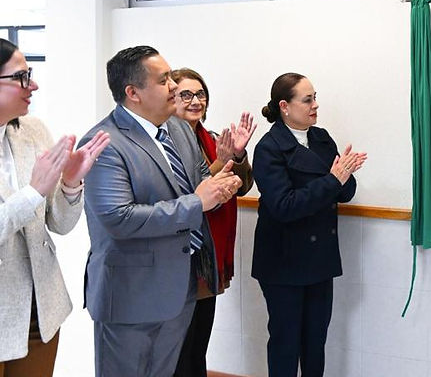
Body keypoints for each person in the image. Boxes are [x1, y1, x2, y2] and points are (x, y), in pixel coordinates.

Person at [80, 45, 242, 377]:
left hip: (179, 288)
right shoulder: (104, 143)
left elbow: (199, 180)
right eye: (164, 79)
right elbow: (119, 219)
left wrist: (221, 184)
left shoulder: (178, 129)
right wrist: (198, 202)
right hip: (130, 295)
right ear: (133, 92)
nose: (174, 86)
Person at [0, 38, 109, 377]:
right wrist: (33, 192)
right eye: (21, 77)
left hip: (40, 308)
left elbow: (59, 223)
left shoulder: (32, 130)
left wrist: (70, 184)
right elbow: (29, 201)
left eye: (30, 74)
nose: (32, 85)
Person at [251, 72, 366, 377]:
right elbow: (284, 206)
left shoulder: (321, 138)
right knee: (286, 343)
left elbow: (345, 193)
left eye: (315, 98)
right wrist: (333, 179)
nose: (315, 105)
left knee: (315, 342)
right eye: (307, 100)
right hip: (283, 262)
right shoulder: (269, 148)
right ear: (284, 106)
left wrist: (343, 176)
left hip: (319, 259)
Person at [170, 68, 256, 377]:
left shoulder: (214, 138)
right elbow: (191, 193)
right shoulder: (165, 144)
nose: (196, 101)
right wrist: (221, 162)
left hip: (209, 256)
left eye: (201, 94)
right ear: (170, 98)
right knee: (180, 350)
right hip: (181, 257)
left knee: (198, 346)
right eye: (186, 95)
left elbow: (243, 186)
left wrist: (238, 155)